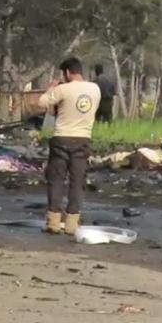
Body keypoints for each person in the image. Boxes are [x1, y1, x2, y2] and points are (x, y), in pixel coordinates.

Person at [37, 57, 101, 236]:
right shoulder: (95, 89)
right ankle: (72, 223)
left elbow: (42, 102)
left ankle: (53, 222)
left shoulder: (62, 89)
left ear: (66, 73)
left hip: (61, 138)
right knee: (77, 182)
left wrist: (52, 87)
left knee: (57, 179)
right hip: (83, 139)